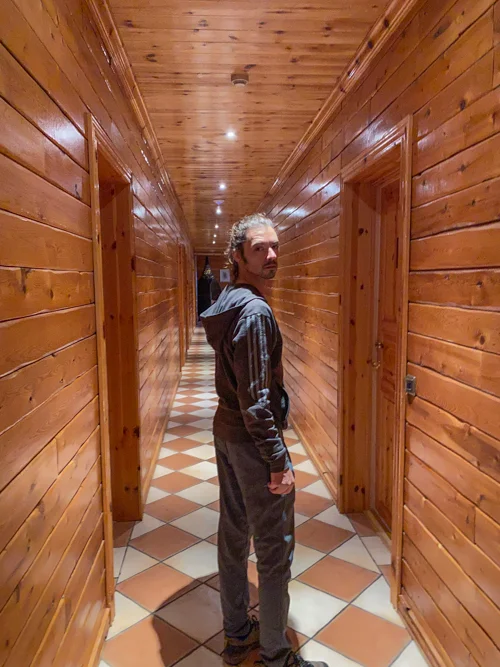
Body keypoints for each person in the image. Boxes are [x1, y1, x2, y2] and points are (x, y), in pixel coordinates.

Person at [201, 214, 328, 667]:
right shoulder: (254, 312)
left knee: (234, 533)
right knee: (275, 548)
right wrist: (277, 460)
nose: (271, 255)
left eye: (275, 246)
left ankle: (238, 634)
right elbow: (256, 400)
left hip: (227, 430)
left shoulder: (229, 300)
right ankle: (275, 655)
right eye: (259, 248)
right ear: (238, 255)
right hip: (253, 441)